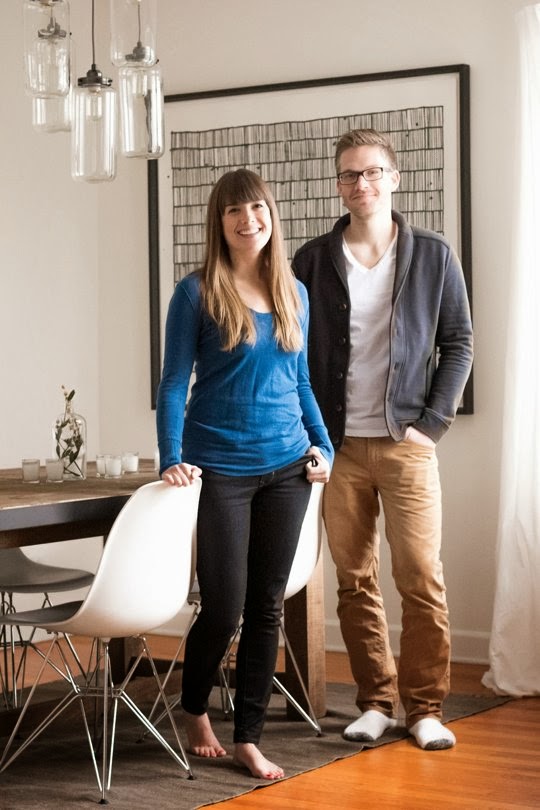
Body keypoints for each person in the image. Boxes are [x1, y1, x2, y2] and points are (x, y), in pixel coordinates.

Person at [293, 129, 473, 750]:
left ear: (394, 179)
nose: (360, 183)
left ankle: (425, 708)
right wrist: (308, 433)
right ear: (338, 185)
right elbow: (291, 350)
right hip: (337, 447)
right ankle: (375, 702)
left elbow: (459, 343)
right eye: (349, 174)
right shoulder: (312, 261)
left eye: (371, 172)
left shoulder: (433, 255)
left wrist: (432, 425)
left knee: (421, 577)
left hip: (406, 444)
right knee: (354, 579)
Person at [156, 168, 333, 780]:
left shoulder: (294, 292)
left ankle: (248, 737)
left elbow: (300, 381)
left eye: (256, 207)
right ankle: (194, 707)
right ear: (220, 221)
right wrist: (170, 457)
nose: (247, 219)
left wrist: (323, 446)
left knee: (266, 607)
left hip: (288, 467)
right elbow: (173, 384)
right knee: (224, 605)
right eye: (233, 210)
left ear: (271, 215)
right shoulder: (195, 293)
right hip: (219, 470)